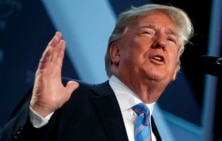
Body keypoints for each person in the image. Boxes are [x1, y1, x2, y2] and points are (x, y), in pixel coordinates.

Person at [0, 3, 194, 141]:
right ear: (116, 52)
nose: (161, 43)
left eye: (171, 40)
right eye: (148, 32)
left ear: (175, 70)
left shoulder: (155, 135)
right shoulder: (69, 97)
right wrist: (39, 112)